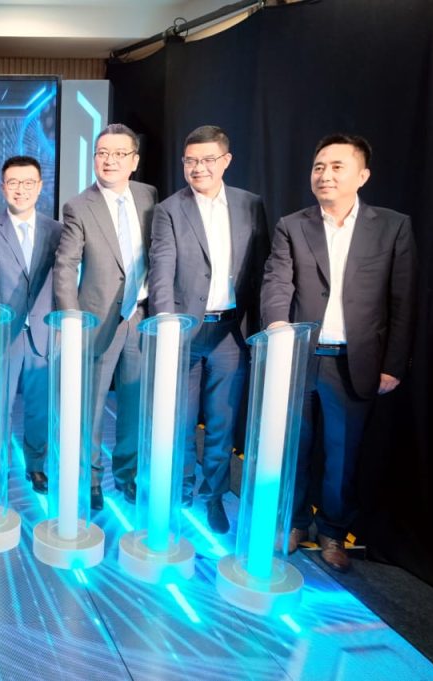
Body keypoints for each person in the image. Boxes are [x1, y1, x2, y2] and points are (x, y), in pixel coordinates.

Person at [261, 133, 416, 571]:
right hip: (299, 359)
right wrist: (277, 328)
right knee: (293, 447)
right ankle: (293, 521)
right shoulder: (293, 225)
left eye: (336, 167)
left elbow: (403, 300)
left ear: (362, 176)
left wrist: (393, 364)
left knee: (342, 455)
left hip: (354, 362)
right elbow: (276, 282)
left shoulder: (392, 226)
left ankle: (332, 531)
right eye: (318, 167)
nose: (324, 175)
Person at [148, 125, 270, 534]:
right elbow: (161, 272)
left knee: (222, 421)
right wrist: (167, 325)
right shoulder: (169, 209)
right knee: (179, 420)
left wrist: (262, 328)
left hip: (231, 333)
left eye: (206, 160)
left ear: (226, 161)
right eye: (190, 161)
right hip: (183, 333)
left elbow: (262, 270)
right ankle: (181, 487)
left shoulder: (251, 205)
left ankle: (213, 494)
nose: (198, 168)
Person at [54, 123, 157, 511]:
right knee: (91, 407)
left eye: (118, 154)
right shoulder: (79, 206)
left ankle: (127, 473)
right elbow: (65, 265)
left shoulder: (149, 196)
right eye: (102, 153)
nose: (109, 160)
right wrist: (71, 318)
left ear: (134, 161)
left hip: (140, 316)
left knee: (135, 404)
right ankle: (91, 477)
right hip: (96, 320)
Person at [0, 156, 61, 494]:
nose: (20, 190)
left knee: (40, 408)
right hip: (4, 332)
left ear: (39, 187)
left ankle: (36, 466)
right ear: (2, 187)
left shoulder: (57, 231)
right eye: (13, 183)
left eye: (27, 183)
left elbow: (64, 279)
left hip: (44, 331)